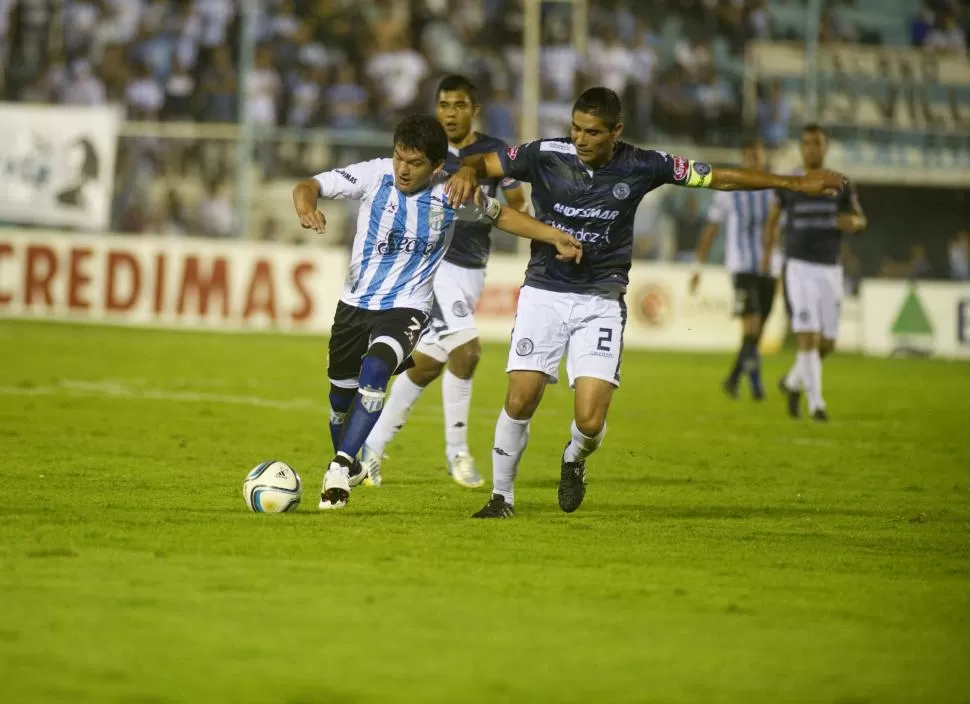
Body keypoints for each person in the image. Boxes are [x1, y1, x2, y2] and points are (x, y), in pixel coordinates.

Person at [445, 88, 848, 518]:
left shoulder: (644, 165)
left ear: (616, 131)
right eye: (576, 129)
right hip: (544, 290)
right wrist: (468, 170)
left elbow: (719, 178)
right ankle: (502, 497)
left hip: (600, 299)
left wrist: (793, 183)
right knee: (521, 398)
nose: (581, 139)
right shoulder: (543, 154)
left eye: (593, 132)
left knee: (590, 421)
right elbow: (481, 161)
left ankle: (574, 459)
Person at [291, 114, 582, 510]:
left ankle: (340, 467)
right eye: (399, 159)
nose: (403, 170)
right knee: (339, 403)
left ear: (436, 166)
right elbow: (308, 186)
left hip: (407, 306)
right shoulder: (374, 175)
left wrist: (555, 237)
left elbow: (504, 216)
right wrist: (307, 208)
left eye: (414, 164)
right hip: (354, 306)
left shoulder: (452, 194)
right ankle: (351, 460)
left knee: (377, 370)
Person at [361, 75, 528, 489]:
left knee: (427, 364)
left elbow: (517, 203)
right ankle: (458, 454)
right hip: (434, 265)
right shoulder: (426, 153)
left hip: (472, 268)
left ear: (475, 110)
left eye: (458, 105)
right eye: (443, 105)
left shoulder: (494, 153)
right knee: (467, 352)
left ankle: (369, 447)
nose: (449, 113)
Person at [762, 124, 866, 422]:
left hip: (831, 269)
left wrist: (856, 225)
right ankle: (817, 404)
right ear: (801, 147)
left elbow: (860, 219)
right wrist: (768, 254)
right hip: (798, 266)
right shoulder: (790, 182)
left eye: (817, 143)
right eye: (806, 143)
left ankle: (793, 383)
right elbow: (773, 219)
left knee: (828, 343)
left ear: (826, 147)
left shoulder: (842, 183)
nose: (812, 148)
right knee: (807, 337)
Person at [690, 139, 780, 401]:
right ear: (743, 158)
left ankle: (732, 379)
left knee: (758, 332)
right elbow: (711, 229)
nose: (754, 159)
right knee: (751, 328)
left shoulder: (775, 189)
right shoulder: (729, 190)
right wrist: (698, 266)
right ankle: (755, 386)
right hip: (741, 267)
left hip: (770, 268)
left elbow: (779, 229)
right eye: (749, 155)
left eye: (758, 154)